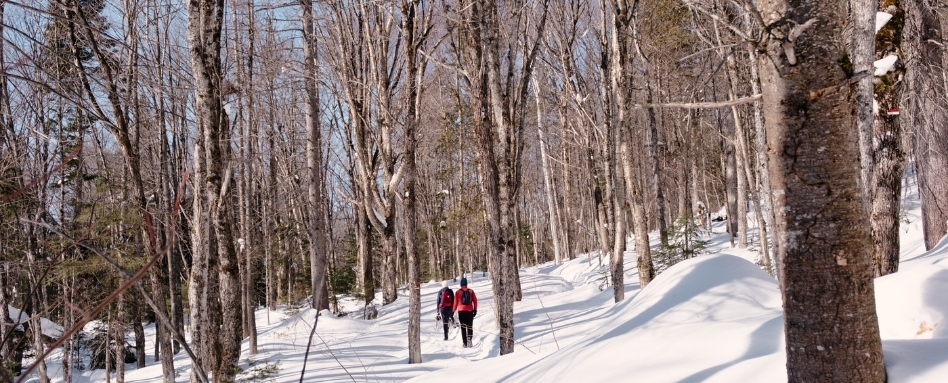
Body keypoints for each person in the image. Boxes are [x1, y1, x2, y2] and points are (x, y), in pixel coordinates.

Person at [452, 277, 478, 348]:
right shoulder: (471, 291)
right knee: (470, 326)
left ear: (461, 284)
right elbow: (475, 301)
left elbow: (455, 303)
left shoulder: (457, 292)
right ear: (466, 284)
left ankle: (464, 343)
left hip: (461, 312)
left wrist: (453, 311)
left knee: (463, 327)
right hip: (469, 311)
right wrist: (475, 310)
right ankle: (469, 339)